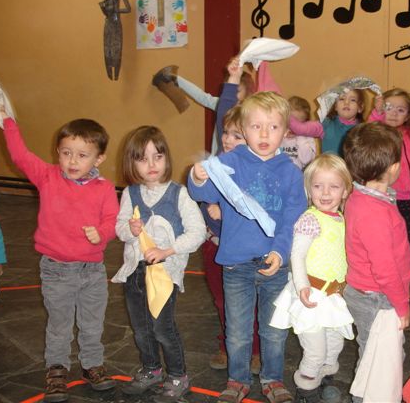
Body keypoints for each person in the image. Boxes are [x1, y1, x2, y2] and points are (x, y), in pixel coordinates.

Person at [188, 91, 306, 403]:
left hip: (275, 265)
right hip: (236, 265)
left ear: (285, 131)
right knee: (238, 331)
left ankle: (272, 379)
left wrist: (280, 252)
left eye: (273, 127)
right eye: (256, 127)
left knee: (274, 331)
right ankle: (237, 380)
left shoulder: (291, 173)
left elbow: (292, 220)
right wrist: (197, 176)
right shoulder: (230, 162)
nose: (264, 135)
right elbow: (202, 192)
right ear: (244, 128)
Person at [0, 111, 119, 402]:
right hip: (56, 270)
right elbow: (20, 156)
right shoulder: (47, 177)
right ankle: (56, 370)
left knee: (92, 322)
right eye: (66, 153)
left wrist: (101, 234)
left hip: (92, 270)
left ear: (98, 159)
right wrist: (7, 122)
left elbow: (112, 220)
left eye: (82, 155)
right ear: (57, 153)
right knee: (59, 324)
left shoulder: (104, 188)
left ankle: (92, 365)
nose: (72, 161)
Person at [112, 126, 206, 402]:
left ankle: (178, 375)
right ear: (131, 163)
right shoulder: (130, 193)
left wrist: (168, 250)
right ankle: (151, 369)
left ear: (166, 158)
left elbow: (197, 232)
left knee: (162, 328)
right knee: (141, 328)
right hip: (135, 272)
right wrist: (130, 229)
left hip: (164, 273)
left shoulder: (179, 193)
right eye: (143, 158)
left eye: (158, 156)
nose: (152, 164)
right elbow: (120, 228)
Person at [270, 154, 353, 403]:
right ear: (309, 189)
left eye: (333, 186)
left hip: (333, 297)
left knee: (334, 344)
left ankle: (323, 379)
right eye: (318, 186)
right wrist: (302, 286)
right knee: (315, 350)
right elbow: (297, 255)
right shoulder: (310, 219)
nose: (325, 193)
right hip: (311, 296)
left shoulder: (342, 219)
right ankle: (306, 390)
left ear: (345, 190)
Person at [341, 122, 410, 402]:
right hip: (379, 297)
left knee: (374, 355)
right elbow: (384, 268)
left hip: (370, 293)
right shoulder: (375, 213)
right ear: (394, 168)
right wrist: (401, 305)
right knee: (379, 364)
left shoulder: (362, 197)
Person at [201, 107, 262, 374]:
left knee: (250, 304)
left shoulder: (256, 171)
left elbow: (259, 211)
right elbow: (201, 197)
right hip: (215, 245)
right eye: (226, 133)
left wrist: (225, 211)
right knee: (222, 302)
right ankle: (227, 346)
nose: (227, 139)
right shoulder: (215, 166)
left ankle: (255, 350)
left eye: (236, 136)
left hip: (245, 253)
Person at [370, 88, 410, 302]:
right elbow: (368, 129)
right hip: (390, 198)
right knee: (390, 242)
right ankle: (391, 280)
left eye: (401, 110)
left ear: (408, 115)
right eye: (389, 108)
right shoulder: (379, 134)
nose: (394, 113)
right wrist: (377, 113)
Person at [153, 57, 256, 154]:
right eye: (229, 90)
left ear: (247, 92)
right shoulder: (220, 104)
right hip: (218, 158)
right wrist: (176, 79)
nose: (231, 93)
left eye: (237, 91)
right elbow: (202, 97)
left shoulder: (251, 114)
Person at [290, 83, 366, 156]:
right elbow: (301, 128)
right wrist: (286, 114)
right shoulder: (326, 124)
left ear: (360, 107)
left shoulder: (363, 130)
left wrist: (376, 113)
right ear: (335, 106)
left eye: (352, 100)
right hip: (329, 165)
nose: (346, 102)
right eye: (342, 99)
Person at [99, 0, 131, 80]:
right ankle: (109, 73)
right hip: (109, 22)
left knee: (117, 47)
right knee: (107, 47)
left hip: (117, 22)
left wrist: (117, 10)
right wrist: (103, 8)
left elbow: (128, 9)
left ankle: (116, 74)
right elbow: (106, 11)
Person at [280, 96, 317, 169]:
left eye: (297, 124)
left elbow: (306, 160)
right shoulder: (278, 134)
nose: (292, 126)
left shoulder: (307, 138)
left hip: (299, 174)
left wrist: (301, 135)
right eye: (290, 121)